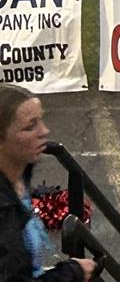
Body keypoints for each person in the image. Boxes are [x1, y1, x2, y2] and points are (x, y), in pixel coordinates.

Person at [1, 85, 94, 281]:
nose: (44, 131)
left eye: (40, 119)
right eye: (29, 126)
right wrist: (72, 273)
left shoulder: (19, 170)